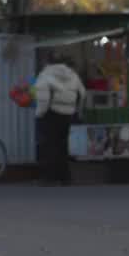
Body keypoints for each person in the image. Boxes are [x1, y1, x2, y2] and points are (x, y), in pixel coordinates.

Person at [34, 56, 86, 185]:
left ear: (47, 64)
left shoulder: (45, 75)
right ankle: (65, 177)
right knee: (63, 146)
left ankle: (49, 178)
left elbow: (43, 98)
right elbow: (83, 93)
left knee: (48, 146)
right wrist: (77, 111)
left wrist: (40, 113)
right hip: (68, 115)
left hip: (50, 114)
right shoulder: (73, 75)